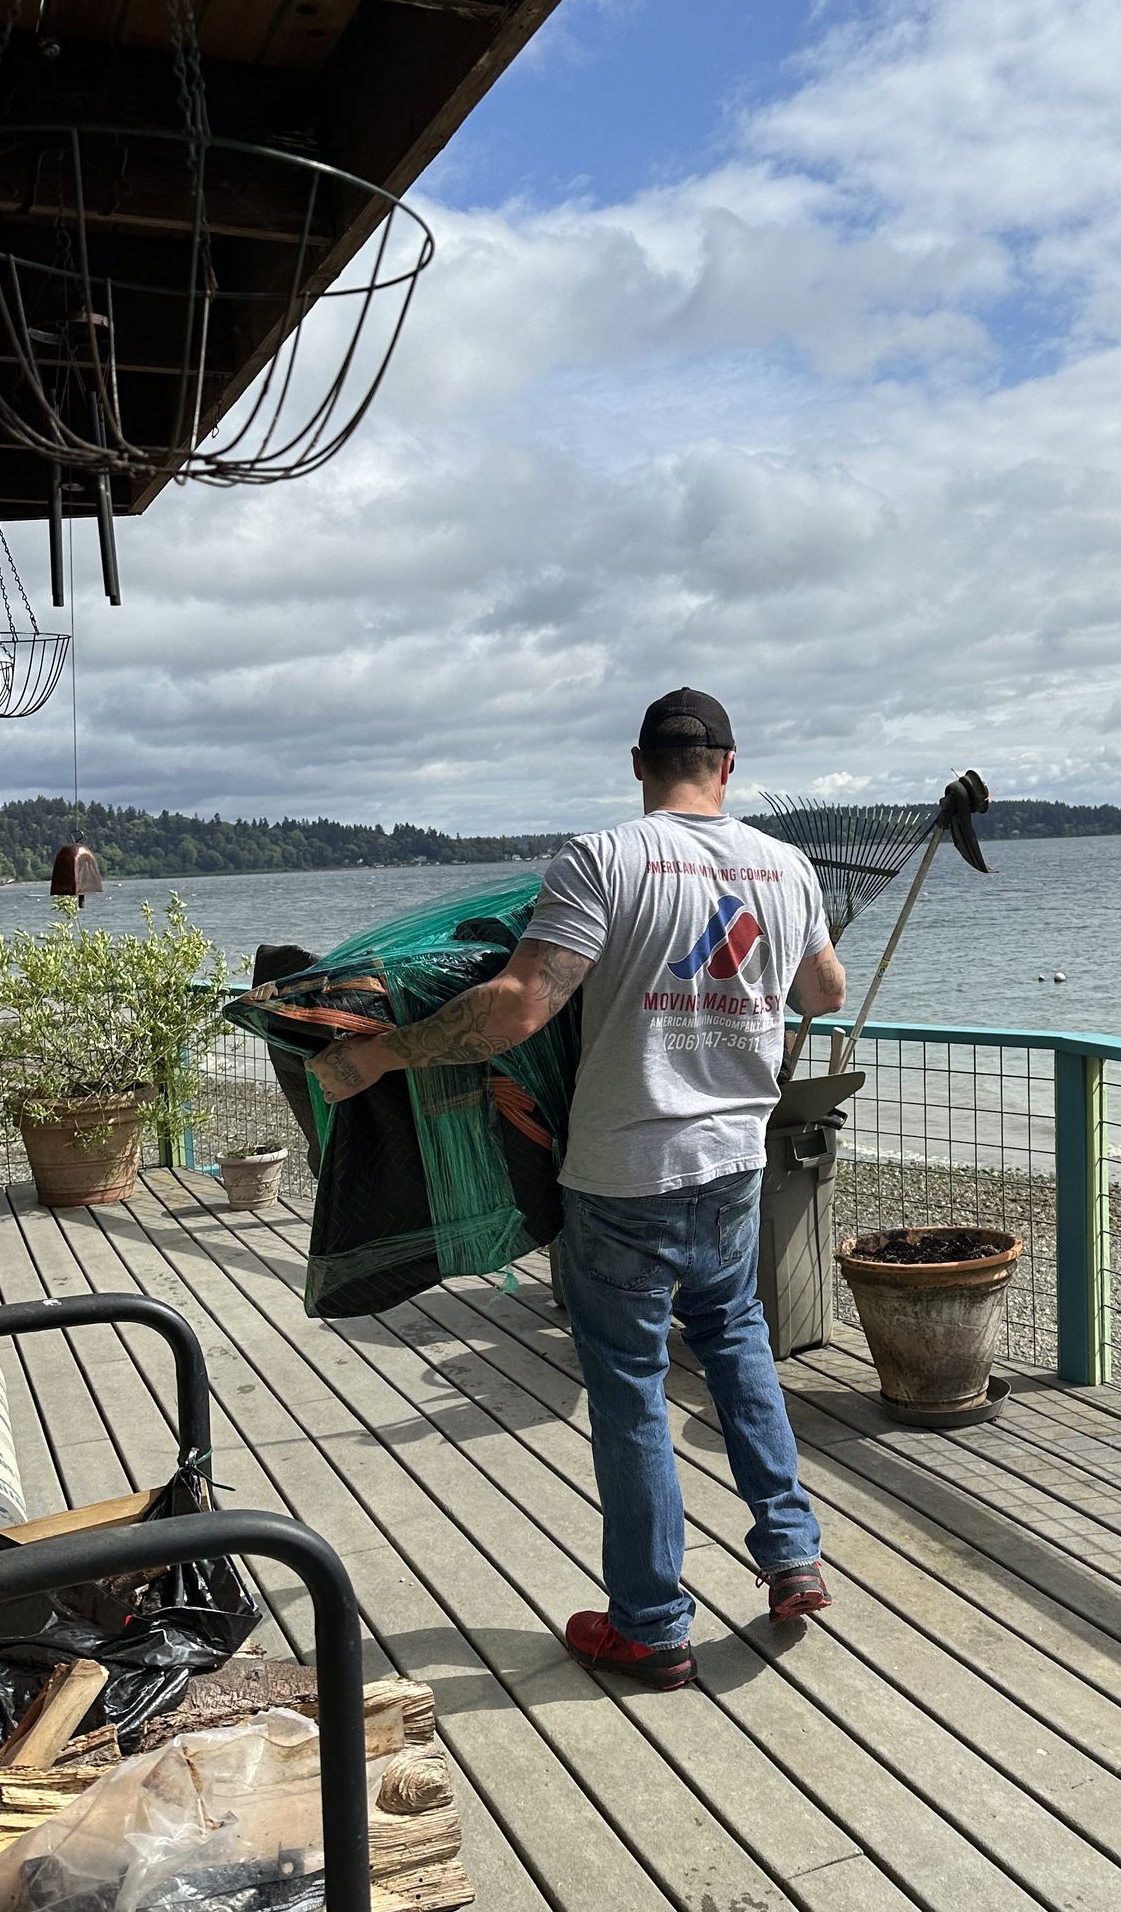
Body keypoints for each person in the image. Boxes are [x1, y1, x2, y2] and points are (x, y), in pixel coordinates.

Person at [308, 688, 847, 1690]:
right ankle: (790, 1552)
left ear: (639, 764)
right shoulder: (787, 866)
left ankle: (649, 1622)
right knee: (736, 1343)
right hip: (733, 1161)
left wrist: (385, 1056)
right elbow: (826, 991)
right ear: (728, 768)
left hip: (624, 1174)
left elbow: (516, 1007)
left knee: (633, 1389)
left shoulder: (606, 858)